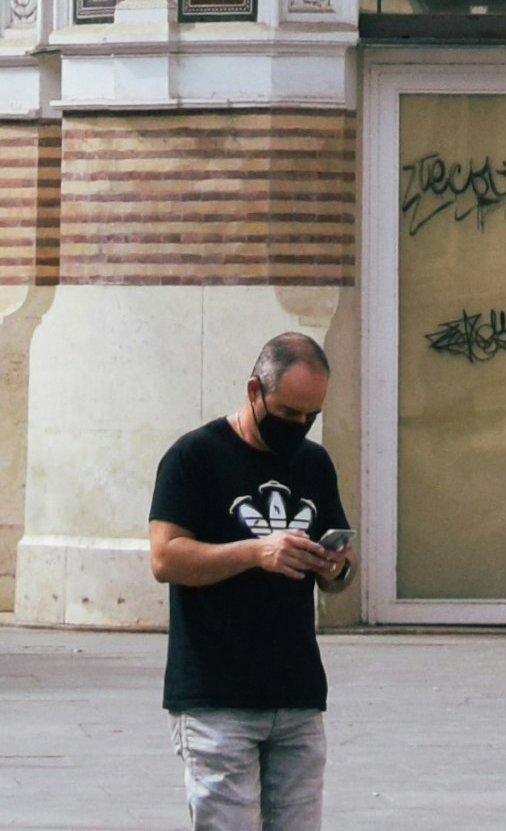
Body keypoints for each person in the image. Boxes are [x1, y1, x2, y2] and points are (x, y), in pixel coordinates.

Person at [146, 329, 349, 831]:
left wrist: (335, 568)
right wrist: (258, 551)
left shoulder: (314, 463)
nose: (298, 427)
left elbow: (339, 572)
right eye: (287, 414)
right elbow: (165, 558)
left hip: (297, 692)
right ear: (254, 391)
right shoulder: (194, 457)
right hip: (217, 695)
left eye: (310, 417)